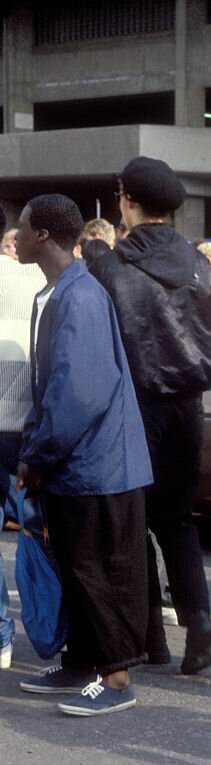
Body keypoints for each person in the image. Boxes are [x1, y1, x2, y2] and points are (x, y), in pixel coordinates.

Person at [15, 194, 153, 715]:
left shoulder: (80, 297)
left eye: (23, 227)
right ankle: (82, 663)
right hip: (77, 464)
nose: (17, 234)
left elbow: (81, 392)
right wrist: (37, 448)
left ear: (44, 236)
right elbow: (48, 385)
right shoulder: (57, 293)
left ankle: (116, 679)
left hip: (99, 466)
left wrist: (40, 453)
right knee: (75, 566)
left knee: (100, 570)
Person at [90, 157, 211, 675]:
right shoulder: (199, 263)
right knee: (178, 521)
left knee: (131, 521)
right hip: (189, 405)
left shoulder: (112, 265)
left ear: (127, 201)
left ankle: (148, 636)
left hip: (135, 405)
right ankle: (200, 617)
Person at [0, 205, 46, 667]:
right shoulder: (31, 280)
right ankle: (50, 632)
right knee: (39, 530)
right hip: (28, 426)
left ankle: (0, 638)